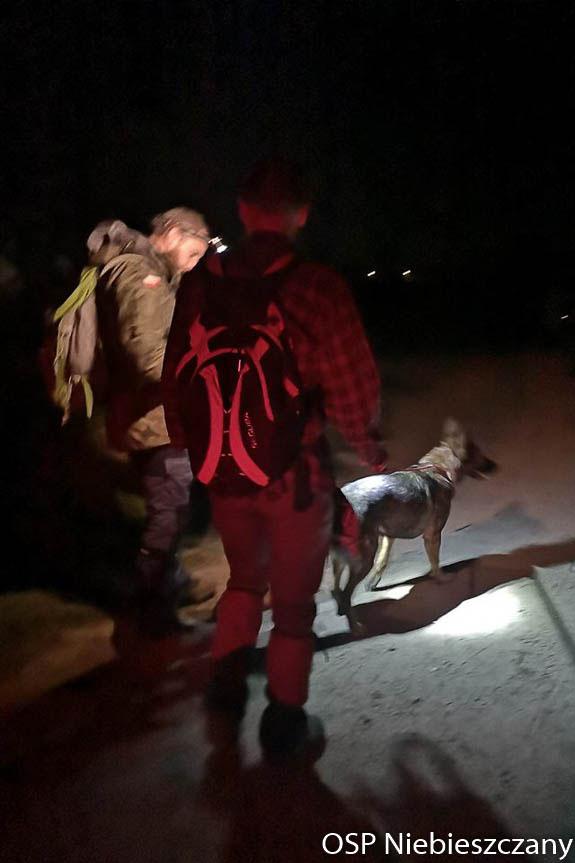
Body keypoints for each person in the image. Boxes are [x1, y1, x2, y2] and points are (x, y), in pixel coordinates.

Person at [162, 161, 385, 756]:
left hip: (226, 472)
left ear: (242, 210)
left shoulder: (202, 282)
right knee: (291, 605)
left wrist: (194, 448)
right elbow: (354, 390)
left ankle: (225, 689)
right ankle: (285, 723)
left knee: (243, 579)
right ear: (301, 215)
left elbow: (175, 376)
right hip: (295, 479)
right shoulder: (318, 287)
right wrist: (371, 451)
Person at [95, 207, 211, 635]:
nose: (193, 264)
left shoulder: (154, 273)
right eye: (193, 253)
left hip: (151, 416)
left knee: (171, 505)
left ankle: (169, 582)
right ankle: (150, 608)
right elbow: (147, 356)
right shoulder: (142, 274)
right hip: (152, 420)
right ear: (174, 234)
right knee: (169, 511)